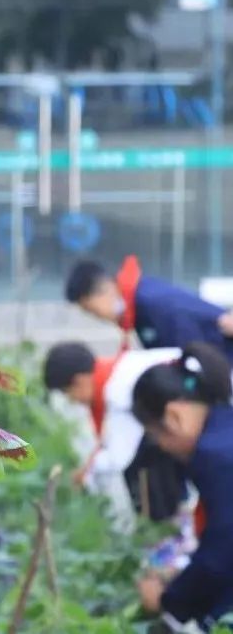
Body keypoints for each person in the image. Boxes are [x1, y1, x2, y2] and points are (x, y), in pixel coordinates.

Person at [132, 343, 233, 631]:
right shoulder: (225, 431)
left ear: (174, 416)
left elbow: (224, 550)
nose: (163, 447)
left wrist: (168, 601)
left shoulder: (215, 455)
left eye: (156, 435)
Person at [43, 342, 187, 524]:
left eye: (68, 393)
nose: (72, 400)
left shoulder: (117, 391)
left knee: (143, 464)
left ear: (79, 381)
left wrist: (86, 476)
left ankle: (166, 531)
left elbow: (119, 457)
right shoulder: (120, 368)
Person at [65, 257, 233, 359]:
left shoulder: (152, 303)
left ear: (105, 288)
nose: (99, 317)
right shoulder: (139, 305)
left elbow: (191, 356)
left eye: (92, 310)